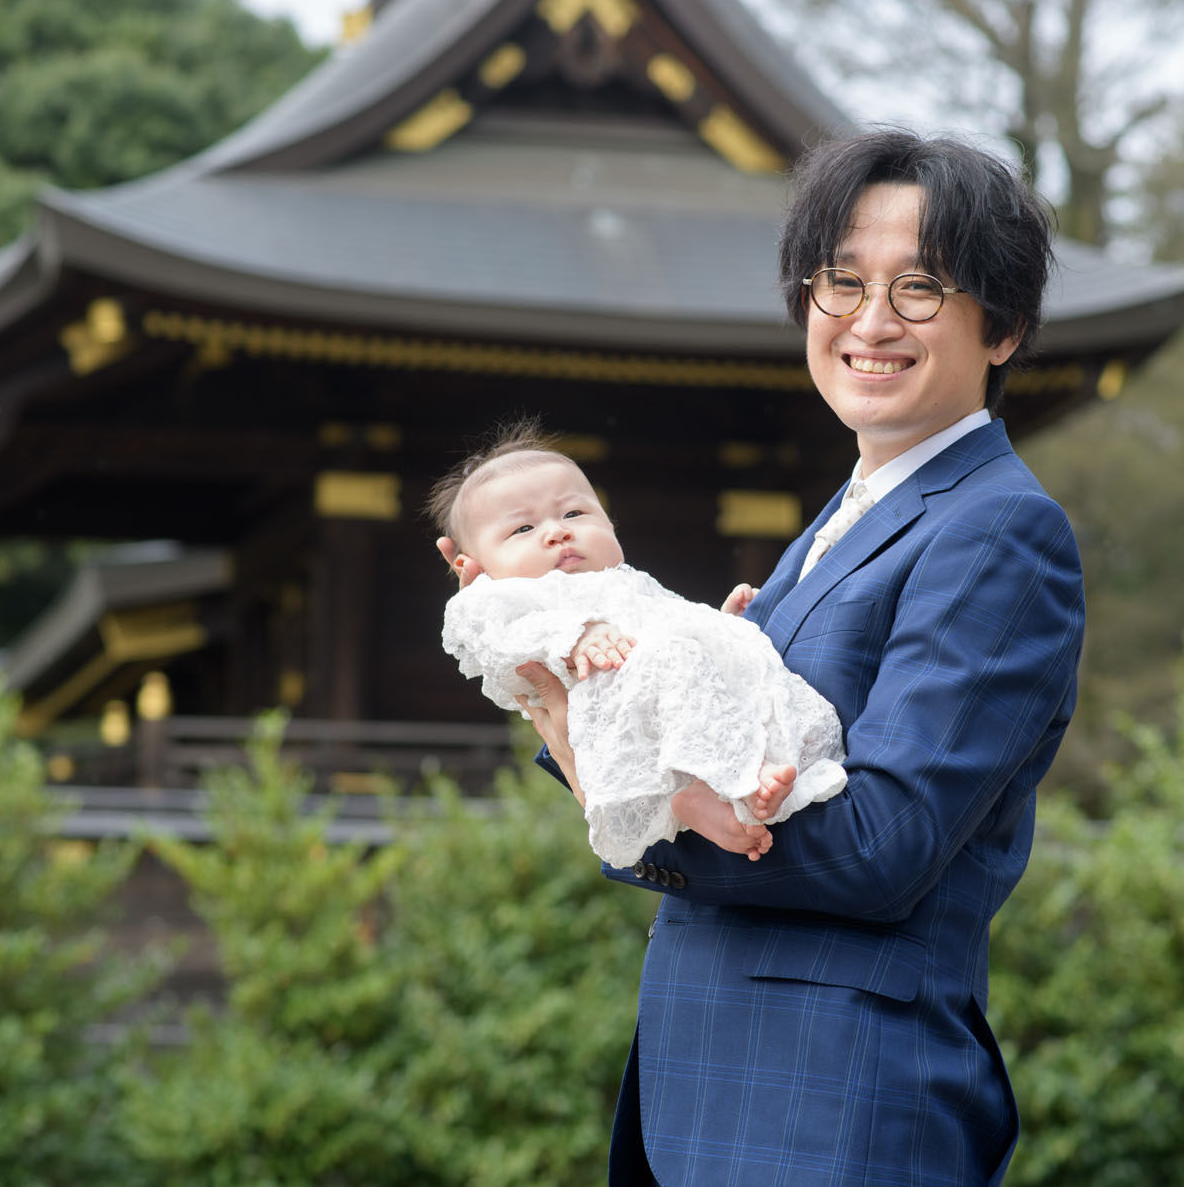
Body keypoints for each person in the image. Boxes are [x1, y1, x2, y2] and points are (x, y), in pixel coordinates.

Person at [472, 129, 1085, 1186]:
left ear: (1006, 326)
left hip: (834, 1112)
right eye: (839, 282)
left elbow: (880, 844)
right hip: (731, 1107)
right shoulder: (843, 519)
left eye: (921, 288)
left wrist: (613, 792)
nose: (869, 321)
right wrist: (550, 631)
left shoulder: (995, 530)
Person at [429, 425, 848, 867]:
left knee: (752, 674)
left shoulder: (624, 583)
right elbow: (497, 641)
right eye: (524, 528)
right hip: (608, 699)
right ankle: (721, 785)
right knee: (674, 659)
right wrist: (577, 636)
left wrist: (721, 626)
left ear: (609, 522)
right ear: (469, 565)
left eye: (573, 514)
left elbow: (667, 617)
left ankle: (749, 780)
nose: (556, 533)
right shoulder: (503, 597)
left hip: (654, 690)